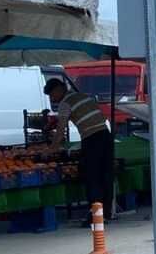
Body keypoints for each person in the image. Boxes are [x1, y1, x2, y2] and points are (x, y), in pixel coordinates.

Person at [44, 78, 113, 220]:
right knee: (105, 175)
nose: (53, 99)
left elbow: (60, 130)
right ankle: (106, 213)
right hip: (106, 136)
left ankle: (96, 215)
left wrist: (50, 149)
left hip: (92, 139)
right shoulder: (83, 96)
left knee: (92, 177)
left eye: (52, 95)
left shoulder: (65, 103)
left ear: (58, 89)